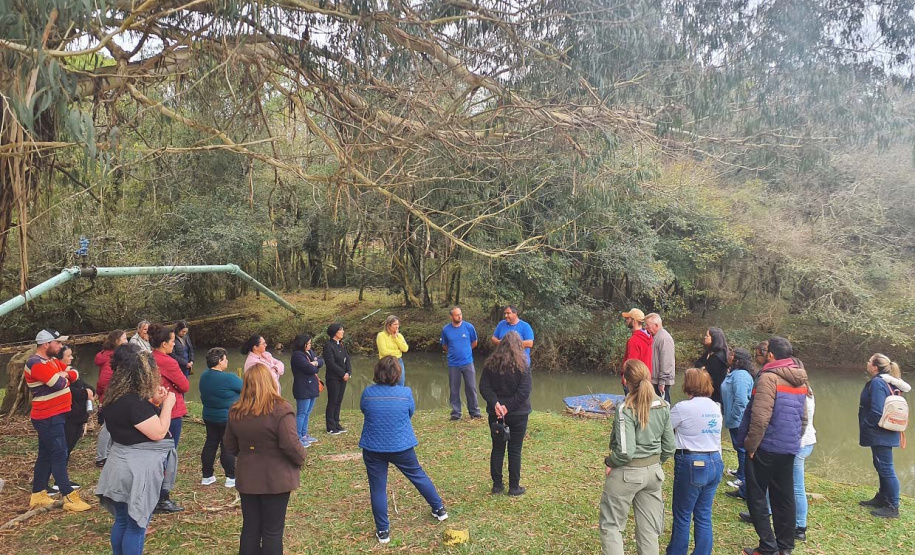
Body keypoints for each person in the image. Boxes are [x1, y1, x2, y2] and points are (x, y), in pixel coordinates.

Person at [95, 344, 178, 555]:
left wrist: (154, 403)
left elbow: (135, 421)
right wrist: (168, 404)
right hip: (137, 468)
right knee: (136, 525)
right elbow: (158, 432)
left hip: (118, 462)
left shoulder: (115, 397)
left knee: (122, 520)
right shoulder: (133, 403)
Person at [360, 356, 449, 544]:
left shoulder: (368, 393)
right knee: (417, 475)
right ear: (397, 374)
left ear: (377, 372)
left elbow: (364, 410)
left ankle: (383, 531)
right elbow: (410, 412)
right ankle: (439, 509)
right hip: (401, 445)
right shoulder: (406, 393)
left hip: (374, 446)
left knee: (377, 488)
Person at [734, 336, 809, 555]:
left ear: (771, 355)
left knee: (756, 497)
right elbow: (803, 418)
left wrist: (751, 446)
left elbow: (759, 418)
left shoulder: (768, 378)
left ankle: (768, 546)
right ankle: (785, 547)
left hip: (765, 447)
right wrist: (793, 440)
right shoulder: (801, 380)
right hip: (789, 447)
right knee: (784, 498)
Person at [224, 363, 307, 555]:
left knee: (251, 528)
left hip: (248, 475)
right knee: (272, 531)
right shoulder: (281, 409)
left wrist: (249, 455)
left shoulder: (236, 411)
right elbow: (291, 444)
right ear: (269, 382)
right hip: (276, 478)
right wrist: (302, 457)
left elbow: (229, 445)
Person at [599, 358, 675, 555]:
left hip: (627, 474)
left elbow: (625, 451)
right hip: (654, 474)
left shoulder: (625, 408)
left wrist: (610, 461)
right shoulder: (663, 405)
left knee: (611, 525)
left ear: (626, 381)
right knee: (649, 531)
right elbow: (669, 447)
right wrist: (655, 464)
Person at [25, 329, 91, 512]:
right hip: (47, 416)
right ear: (47, 344)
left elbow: (74, 373)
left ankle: (38, 494)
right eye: (58, 343)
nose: (61, 346)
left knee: (46, 453)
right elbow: (58, 384)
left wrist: (65, 375)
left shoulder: (51, 361)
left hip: (57, 415)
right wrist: (63, 377)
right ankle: (68, 496)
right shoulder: (35, 363)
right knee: (59, 454)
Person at [666, 368, 723, 555]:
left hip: (692, 462)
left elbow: (664, 429)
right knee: (703, 514)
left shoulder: (683, 408)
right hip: (715, 460)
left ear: (688, 385)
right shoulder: (715, 407)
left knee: (682, 514)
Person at [479, 331, 533, 497]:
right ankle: (514, 487)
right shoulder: (523, 365)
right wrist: (507, 407)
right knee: (515, 450)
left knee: (497, 448)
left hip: (497, 414)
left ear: (501, 344)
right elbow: (524, 392)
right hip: (518, 414)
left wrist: (497, 404)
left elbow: (484, 387)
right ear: (518, 346)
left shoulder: (490, 364)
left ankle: (497, 485)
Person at [858, 353, 910, 519]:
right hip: (886, 431)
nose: (867, 363)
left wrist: (867, 425)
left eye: (869, 361)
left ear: (874, 367)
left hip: (880, 432)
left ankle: (893, 506)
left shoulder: (878, 382)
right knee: (880, 464)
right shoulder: (888, 381)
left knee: (886, 467)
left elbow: (876, 411)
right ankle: (882, 497)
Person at [149, 323, 188, 513]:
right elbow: (185, 385)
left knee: (156, 452)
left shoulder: (147, 358)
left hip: (153, 410)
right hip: (170, 411)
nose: (174, 345)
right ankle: (162, 497)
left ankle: (153, 494)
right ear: (164, 344)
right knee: (168, 453)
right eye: (172, 342)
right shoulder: (168, 362)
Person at [199, 347, 242, 488]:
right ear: (219, 361)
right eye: (225, 359)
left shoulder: (204, 376)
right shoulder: (229, 378)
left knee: (211, 443)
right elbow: (247, 388)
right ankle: (231, 477)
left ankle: (207, 475)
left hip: (209, 416)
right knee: (227, 446)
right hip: (226, 417)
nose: (227, 361)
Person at [722, 348, 755, 498]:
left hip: (739, 419)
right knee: (738, 446)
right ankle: (741, 471)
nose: (728, 356)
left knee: (741, 448)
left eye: (731, 355)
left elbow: (741, 400)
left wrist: (734, 417)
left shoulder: (741, 376)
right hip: (734, 418)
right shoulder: (735, 373)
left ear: (737, 359)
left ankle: (742, 478)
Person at [440, 306, 481, 421]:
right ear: (451, 316)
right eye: (457, 315)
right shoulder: (446, 330)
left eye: (460, 314)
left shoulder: (469, 327)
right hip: (453, 364)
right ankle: (456, 413)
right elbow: (444, 345)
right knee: (454, 389)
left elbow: (474, 342)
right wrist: (454, 352)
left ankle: (474, 412)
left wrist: (466, 352)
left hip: (468, 362)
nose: (459, 316)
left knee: (471, 387)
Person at [96, 329, 128, 468]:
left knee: (112, 426)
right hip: (111, 397)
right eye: (124, 339)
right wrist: (104, 395)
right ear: (116, 341)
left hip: (115, 395)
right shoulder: (111, 358)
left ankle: (109, 453)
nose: (127, 341)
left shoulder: (115, 356)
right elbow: (103, 381)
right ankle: (101, 457)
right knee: (107, 427)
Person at [58, 345, 96, 463]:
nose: (71, 358)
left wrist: (90, 390)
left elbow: (85, 385)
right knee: (65, 444)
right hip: (69, 414)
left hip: (79, 414)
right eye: (68, 356)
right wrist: (86, 393)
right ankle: (59, 474)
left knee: (72, 442)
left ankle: (62, 474)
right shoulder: (58, 375)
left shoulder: (72, 372)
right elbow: (69, 391)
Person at [290, 334, 323, 446]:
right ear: (302, 344)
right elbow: (309, 369)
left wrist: (315, 363)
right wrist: (314, 365)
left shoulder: (309, 352)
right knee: (302, 413)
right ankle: (298, 437)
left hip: (312, 386)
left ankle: (304, 434)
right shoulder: (297, 356)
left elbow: (320, 361)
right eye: (308, 343)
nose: (310, 345)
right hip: (303, 387)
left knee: (308, 412)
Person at [795, 373, 816, 539]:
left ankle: (800, 526)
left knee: (796, 486)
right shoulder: (808, 390)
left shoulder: (799, 393)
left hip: (799, 443)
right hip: (807, 440)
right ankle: (766, 511)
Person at [323, 323, 352, 435]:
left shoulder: (341, 344)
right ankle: (330, 426)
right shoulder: (328, 346)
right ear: (335, 332)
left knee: (338, 401)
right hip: (333, 378)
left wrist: (348, 372)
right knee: (332, 401)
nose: (343, 332)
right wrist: (342, 373)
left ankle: (336, 423)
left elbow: (347, 359)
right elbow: (330, 363)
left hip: (343, 378)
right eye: (341, 330)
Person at [694, 327, 729, 403]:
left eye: (707, 336)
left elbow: (709, 373)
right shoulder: (709, 352)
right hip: (707, 391)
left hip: (715, 394)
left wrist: (704, 368)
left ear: (714, 338)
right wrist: (703, 368)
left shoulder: (719, 356)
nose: (705, 337)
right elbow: (697, 363)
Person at [645, 313, 674, 402]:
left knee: (663, 406)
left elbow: (667, 362)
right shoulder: (655, 337)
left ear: (656, 325)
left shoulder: (664, 338)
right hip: (655, 380)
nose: (645, 327)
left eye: (647, 325)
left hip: (661, 382)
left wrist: (662, 382)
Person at [376, 315, 409, 386]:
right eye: (395, 324)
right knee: (386, 384)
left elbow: (405, 349)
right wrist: (398, 352)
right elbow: (384, 352)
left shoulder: (399, 336)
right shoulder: (381, 335)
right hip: (385, 363)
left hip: (398, 362)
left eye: (398, 324)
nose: (397, 326)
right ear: (389, 325)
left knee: (400, 383)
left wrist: (395, 338)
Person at [622, 308, 653, 372]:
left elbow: (631, 366)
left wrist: (626, 380)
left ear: (634, 321)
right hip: (646, 379)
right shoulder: (648, 337)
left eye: (628, 318)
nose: (626, 320)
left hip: (635, 380)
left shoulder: (634, 340)